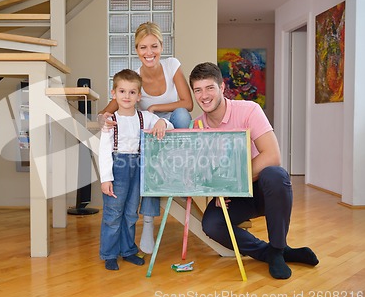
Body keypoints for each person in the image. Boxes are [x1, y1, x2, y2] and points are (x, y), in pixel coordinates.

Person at [188, 62, 319, 279]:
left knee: (276, 174)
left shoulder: (249, 109)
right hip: (235, 196)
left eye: (209, 87)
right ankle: (273, 253)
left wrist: (231, 183)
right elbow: (204, 172)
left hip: (261, 188)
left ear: (222, 87)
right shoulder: (196, 127)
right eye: (198, 90)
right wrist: (218, 187)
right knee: (211, 224)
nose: (204, 95)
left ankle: (278, 248)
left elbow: (272, 155)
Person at [98, 22, 193, 254]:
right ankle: (148, 225)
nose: (149, 52)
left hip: (168, 127)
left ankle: (177, 171)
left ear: (162, 46)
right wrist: (102, 117)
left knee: (181, 114)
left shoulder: (172, 65)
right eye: (142, 47)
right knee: (148, 167)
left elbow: (188, 104)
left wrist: (157, 109)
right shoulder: (134, 79)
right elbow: (112, 107)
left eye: (154, 46)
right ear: (136, 49)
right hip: (150, 141)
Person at [99, 69, 174, 271]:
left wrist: (161, 121)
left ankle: (128, 250)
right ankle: (110, 254)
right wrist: (106, 179)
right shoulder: (110, 121)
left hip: (137, 169)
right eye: (122, 91)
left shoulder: (144, 117)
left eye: (132, 92)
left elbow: (169, 124)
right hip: (117, 169)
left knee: (131, 213)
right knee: (113, 214)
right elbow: (104, 151)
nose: (127, 96)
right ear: (113, 93)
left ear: (139, 96)